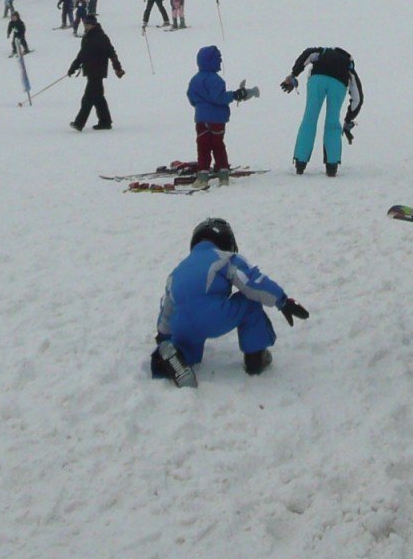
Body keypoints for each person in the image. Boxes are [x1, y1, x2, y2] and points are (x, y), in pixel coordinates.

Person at [150, 218, 308, 387]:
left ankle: (172, 358)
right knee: (249, 301)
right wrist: (282, 301)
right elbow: (252, 283)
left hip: (182, 324)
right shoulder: (223, 257)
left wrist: (164, 337)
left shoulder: (177, 270)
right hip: (211, 316)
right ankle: (256, 358)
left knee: (186, 346)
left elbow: (166, 307)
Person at [281, 46, 363, 176]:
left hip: (317, 79)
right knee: (332, 123)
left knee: (309, 119)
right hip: (339, 84)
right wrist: (348, 119)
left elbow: (307, 54)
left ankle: (300, 164)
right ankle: (332, 166)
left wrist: (293, 74)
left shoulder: (323, 52)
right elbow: (357, 98)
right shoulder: (348, 65)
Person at [187, 46, 254, 183]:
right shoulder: (216, 80)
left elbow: (191, 98)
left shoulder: (195, 80)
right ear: (211, 61)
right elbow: (219, 98)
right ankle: (223, 172)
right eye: (218, 59)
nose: (220, 61)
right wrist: (234, 95)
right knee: (218, 145)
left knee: (203, 147)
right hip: (217, 120)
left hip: (201, 120)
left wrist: (200, 107)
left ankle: (203, 174)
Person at [68, 17, 124, 130]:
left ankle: (79, 123)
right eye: (85, 24)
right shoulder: (86, 37)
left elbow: (111, 53)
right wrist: (73, 67)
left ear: (93, 25)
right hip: (90, 71)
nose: (85, 26)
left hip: (97, 71)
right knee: (98, 98)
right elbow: (82, 54)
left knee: (88, 98)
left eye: (87, 24)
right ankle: (105, 121)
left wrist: (117, 68)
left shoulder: (101, 37)